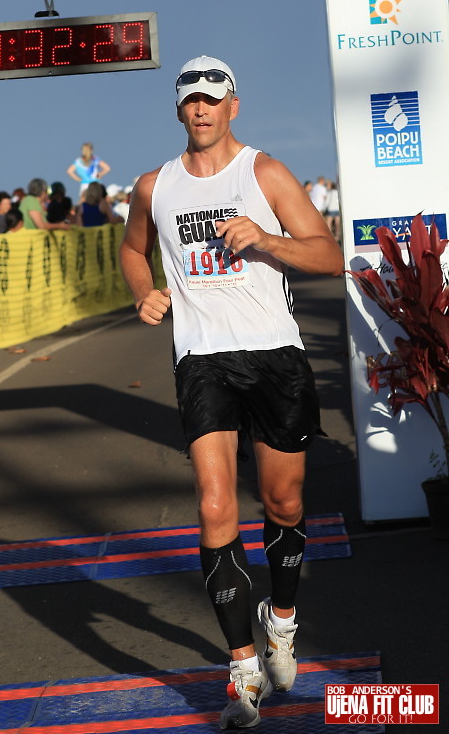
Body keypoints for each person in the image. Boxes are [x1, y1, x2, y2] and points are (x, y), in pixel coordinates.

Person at [120, 55, 343, 730]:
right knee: (216, 504)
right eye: (190, 98)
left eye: (213, 98)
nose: (201, 108)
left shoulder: (264, 172)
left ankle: (281, 620)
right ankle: (241, 668)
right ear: (179, 108)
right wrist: (144, 293)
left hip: (274, 356)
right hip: (203, 359)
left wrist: (268, 240)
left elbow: (328, 253)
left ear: (233, 106)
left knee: (284, 499)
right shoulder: (154, 187)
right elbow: (134, 251)